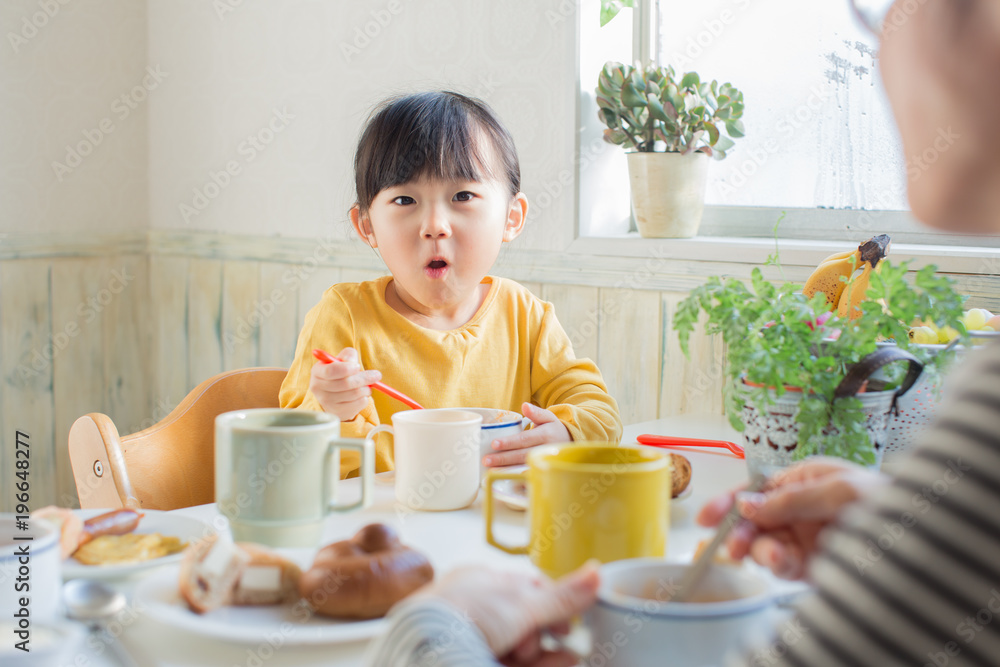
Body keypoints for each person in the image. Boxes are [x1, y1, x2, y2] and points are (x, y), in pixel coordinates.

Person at [369, 0, 1000, 665]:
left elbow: (592, 407)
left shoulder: (523, 313)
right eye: (405, 200)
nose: (884, 42)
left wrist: (437, 626)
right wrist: (898, 526)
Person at [280, 92, 622, 478]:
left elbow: (599, 411)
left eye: (462, 196)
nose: (434, 226)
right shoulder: (344, 317)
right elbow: (292, 456)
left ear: (511, 217)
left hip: (493, 515)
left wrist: (566, 434)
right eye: (405, 200)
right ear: (367, 225)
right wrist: (332, 411)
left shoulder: (524, 315)